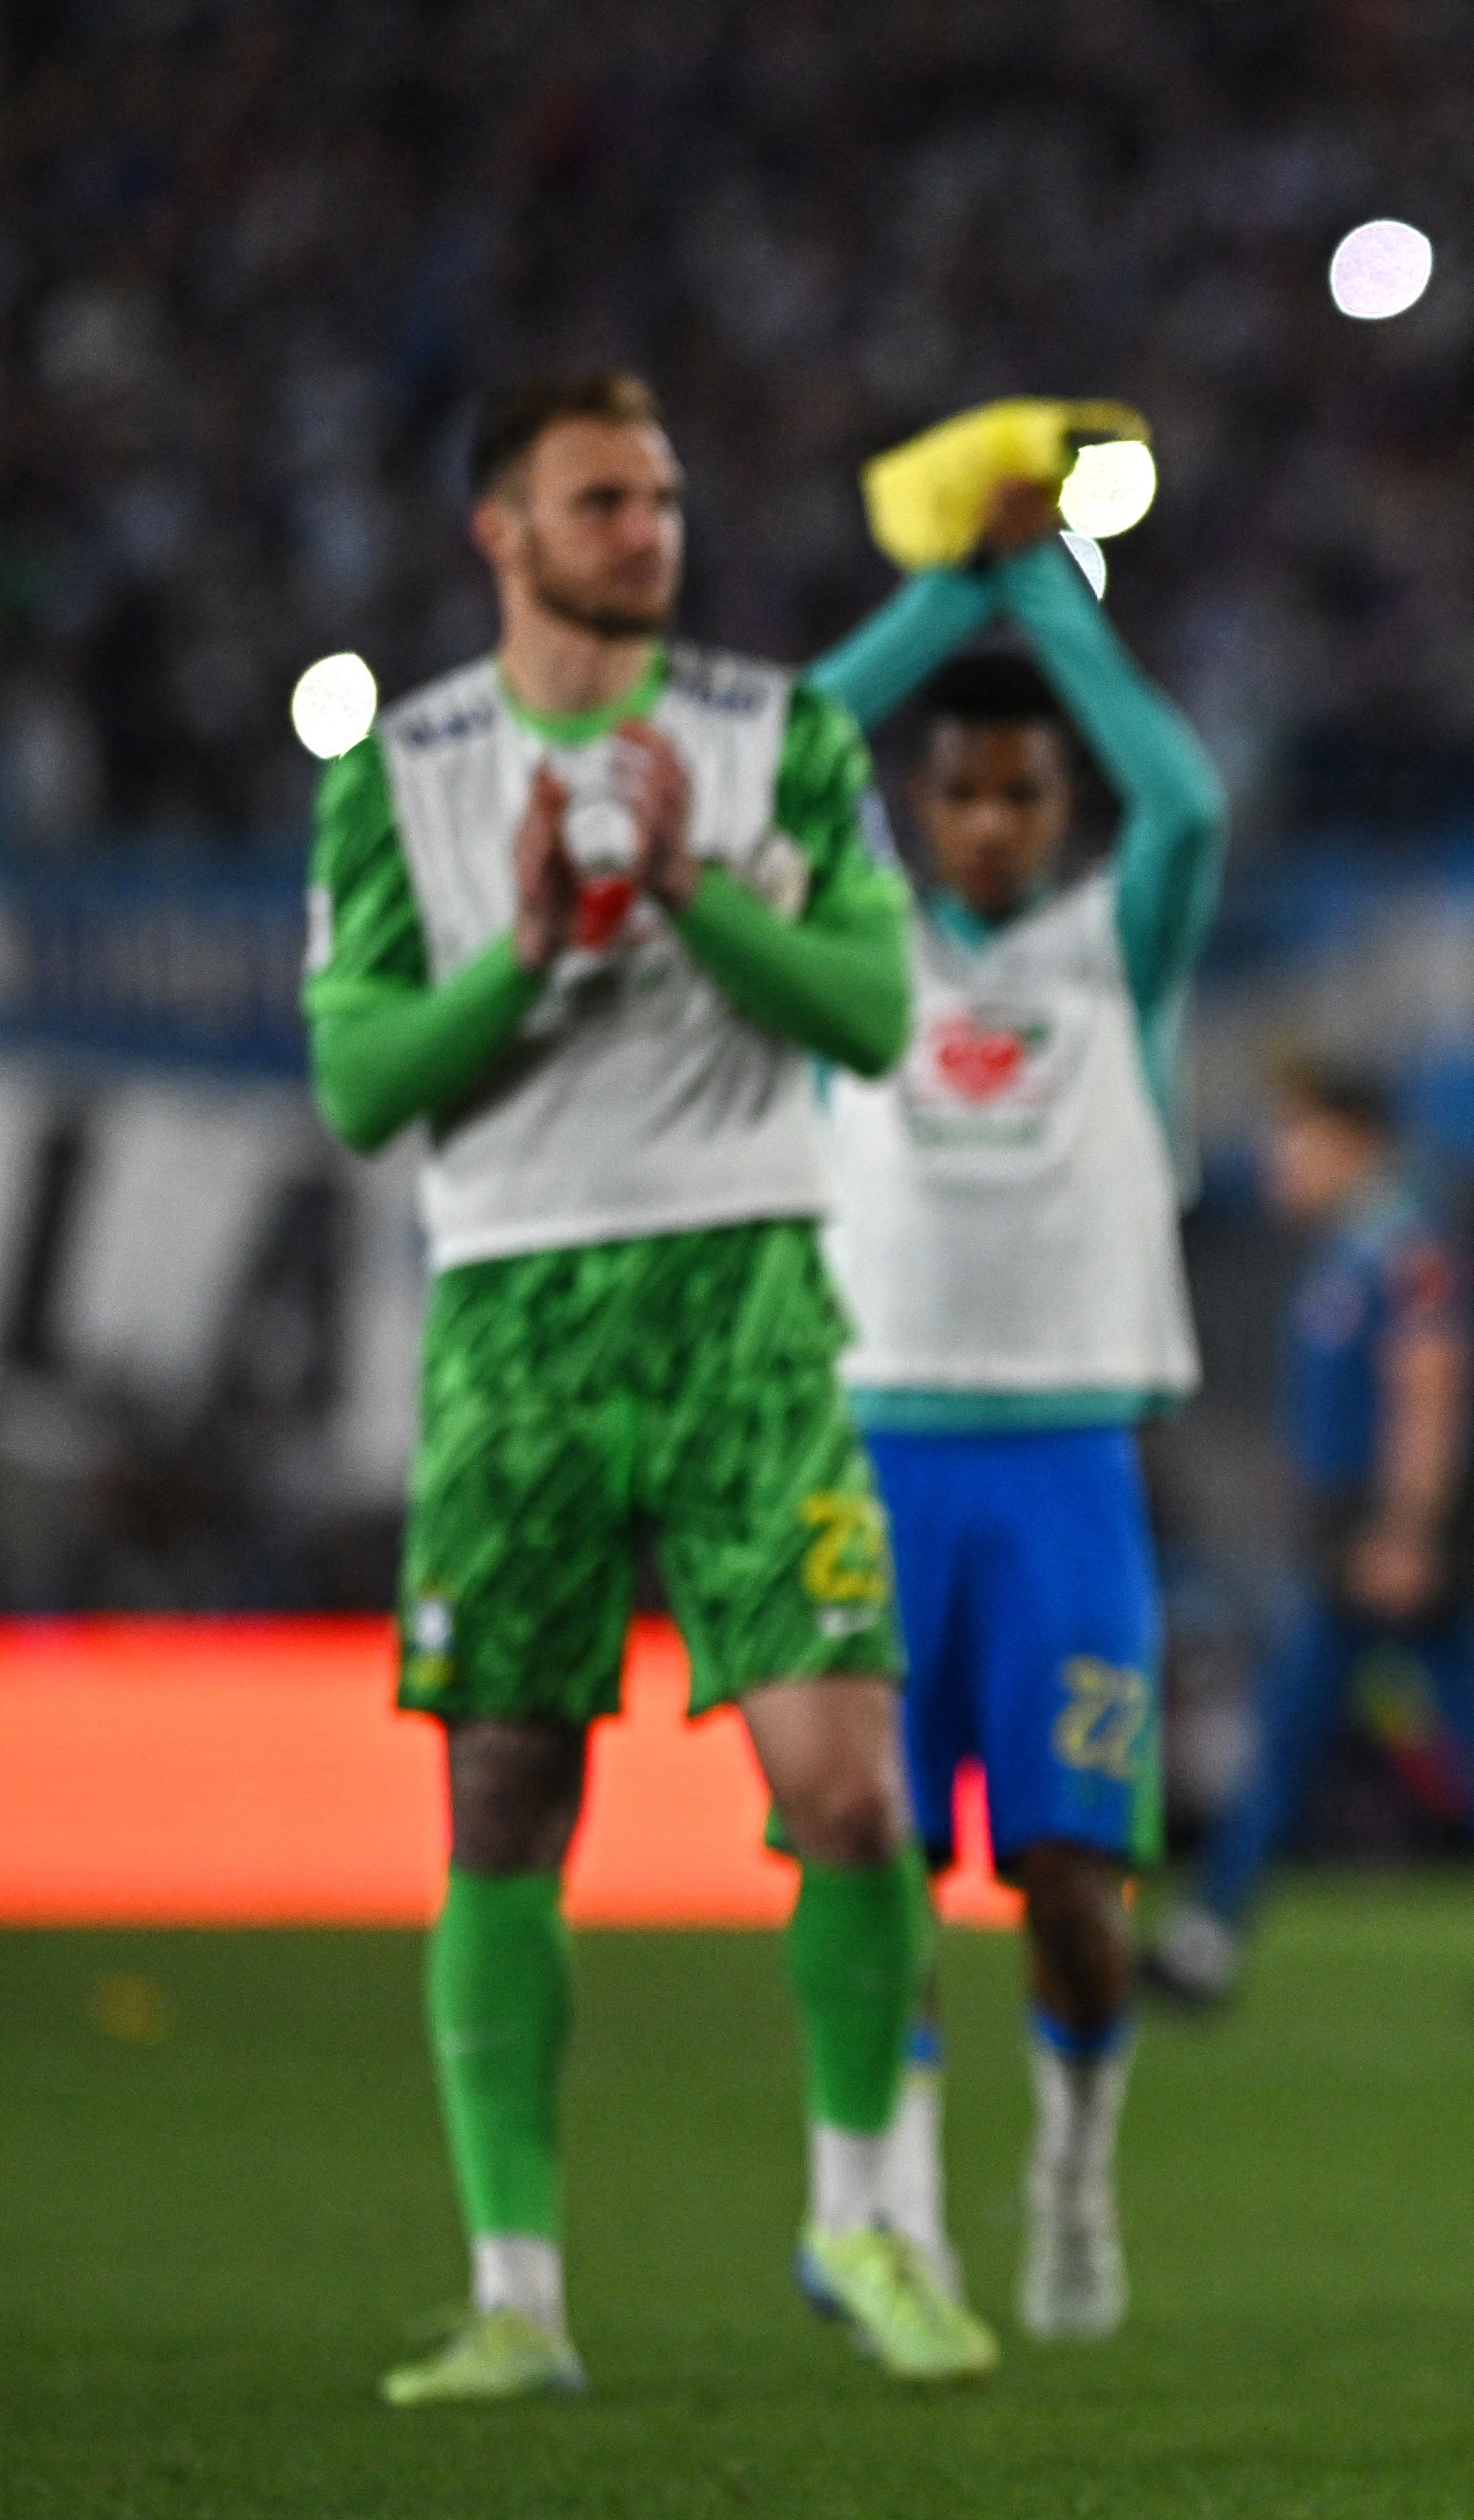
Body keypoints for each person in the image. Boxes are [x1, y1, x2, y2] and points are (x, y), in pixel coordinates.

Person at [302, 369, 995, 2400]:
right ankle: (516, 2292)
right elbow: (359, 1088)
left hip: (746, 1299)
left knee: (853, 1785)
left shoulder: (774, 739)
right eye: (602, 500)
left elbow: (872, 1012)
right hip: (513, 1313)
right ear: (497, 532)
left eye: (666, 498)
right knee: (505, 1794)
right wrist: (523, 950)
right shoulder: (400, 770)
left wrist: (692, 890)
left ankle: (866, 2215)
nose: (647, 532)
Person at [803, 470, 1229, 2340]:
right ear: (919, 807)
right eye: (959, 790)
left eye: (1022, 796)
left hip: (1066, 1462)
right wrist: (937, 585)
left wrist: (1045, 591)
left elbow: (1196, 800)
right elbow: (783, 745)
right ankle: (891, 2212)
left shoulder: (1106, 962)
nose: (987, 821)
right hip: (872, 1449)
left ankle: (1068, 2171)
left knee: (1073, 1878)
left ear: (1063, 818)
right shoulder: (859, 945)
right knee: (870, 1861)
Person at [1146, 1060, 1474, 2019]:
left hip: (1402, 1537)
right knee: (1320, 1731)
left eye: (1296, 1134)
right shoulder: (1355, 1241)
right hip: (1359, 1531)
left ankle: (1212, 1938)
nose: (1280, 1158)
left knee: (1454, 1736)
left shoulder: (1409, 1238)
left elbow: (1430, 1383)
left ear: (1354, 1137)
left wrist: (1407, 1530)